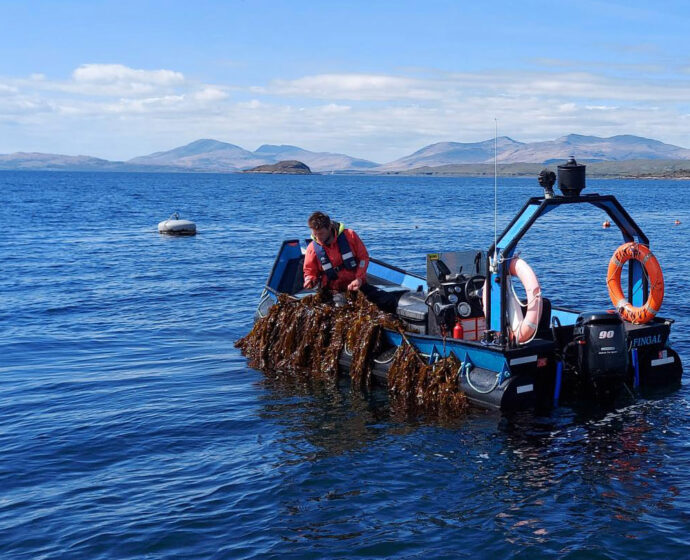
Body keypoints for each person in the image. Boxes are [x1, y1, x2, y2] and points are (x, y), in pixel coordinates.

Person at [303, 211, 400, 312]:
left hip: (358, 285)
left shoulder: (350, 236)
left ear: (329, 227)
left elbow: (363, 258)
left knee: (389, 300)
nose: (318, 237)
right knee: (343, 310)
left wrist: (359, 278)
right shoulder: (312, 249)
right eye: (315, 234)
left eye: (321, 233)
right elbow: (309, 271)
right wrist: (309, 279)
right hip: (334, 291)